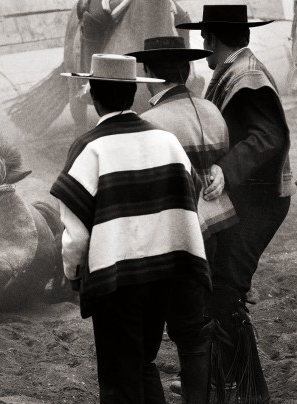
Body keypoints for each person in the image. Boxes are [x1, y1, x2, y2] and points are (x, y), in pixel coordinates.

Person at [52, 53, 209, 403]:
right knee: (143, 361)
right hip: (164, 274)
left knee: (119, 377)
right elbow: (190, 193)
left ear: (93, 96)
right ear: (133, 94)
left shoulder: (89, 147)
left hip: (116, 280)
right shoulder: (166, 140)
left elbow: (75, 234)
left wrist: (73, 273)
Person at [177, 5, 295, 402]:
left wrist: (226, 169)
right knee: (222, 284)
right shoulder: (236, 68)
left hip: (259, 200)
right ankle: (225, 376)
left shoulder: (247, 78)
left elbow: (269, 137)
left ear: (212, 37)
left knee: (226, 287)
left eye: (204, 38)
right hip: (249, 196)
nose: (202, 46)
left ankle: (241, 384)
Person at [127, 35, 238, 403]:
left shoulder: (150, 122)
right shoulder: (211, 110)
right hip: (219, 224)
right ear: (187, 69)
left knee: (168, 324)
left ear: (147, 72)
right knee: (197, 325)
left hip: (178, 233)